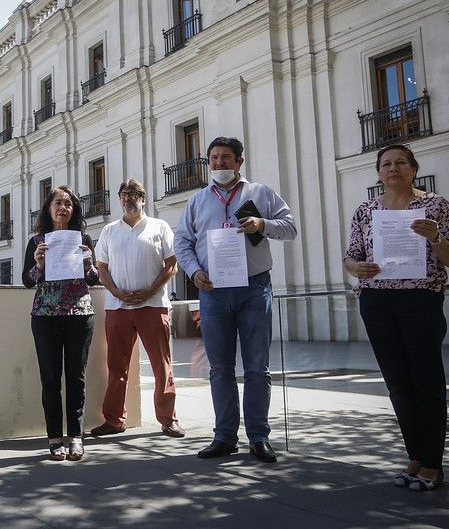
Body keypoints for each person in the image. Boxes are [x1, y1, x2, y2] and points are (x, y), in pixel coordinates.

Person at [343, 144, 449, 491]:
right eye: (386, 164)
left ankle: (433, 464)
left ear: (413, 168)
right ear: (379, 172)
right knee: (397, 383)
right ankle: (416, 455)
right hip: (377, 301)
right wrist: (357, 268)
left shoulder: (435, 206)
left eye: (400, 163)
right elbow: (350, 257)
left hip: (420, 300)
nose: (392, 168)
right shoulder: (366, 210)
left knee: (426, 381)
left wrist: (436, 237)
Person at [174, 136, 296, 463]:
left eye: (226, 157)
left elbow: (290, 228)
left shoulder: (261, 194)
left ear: (239, 162)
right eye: (213, 158)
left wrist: (262, 223)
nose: (218, 163)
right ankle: (224, 436)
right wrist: (193, 271)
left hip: (254, 288)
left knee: (258, 367)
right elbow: (181, 242)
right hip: (212, 292)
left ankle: (259, 437)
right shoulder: (197, 201)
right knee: (220, 368)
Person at [90, 179, 184, 439]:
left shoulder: (160, 226)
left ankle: (168, 419)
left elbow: (171, 265)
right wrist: (117, 292)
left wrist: (150, 291)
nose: (128, 198)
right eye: (124, 194)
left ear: (143, 198)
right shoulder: (109, 231)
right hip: (117, 308)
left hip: (153, 306)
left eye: (133, 194)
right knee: (116, 367)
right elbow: (102, 269)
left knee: (161, 366)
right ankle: (114, 420)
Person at [22, 186, 99, 461]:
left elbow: (93, 279)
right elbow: (27, 280)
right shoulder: (36, 241)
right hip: (45, 316)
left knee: (76, 377)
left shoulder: (85, 238)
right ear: (48, 208)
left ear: (74, 210)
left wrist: (89, 263)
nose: (63, 208)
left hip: (80, 314)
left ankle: (76, 436)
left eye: (68, 203)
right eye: (58, 203)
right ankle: (55, 437)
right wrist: (39, 265)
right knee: (51, 378)